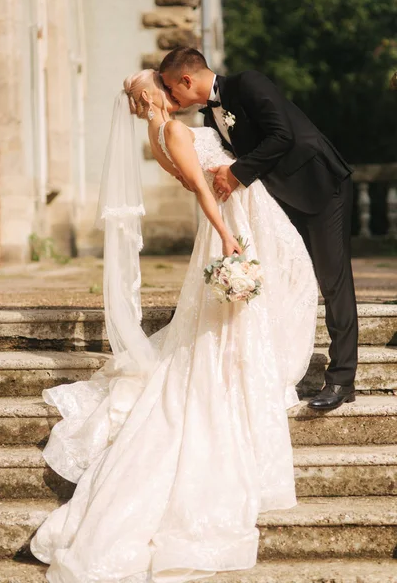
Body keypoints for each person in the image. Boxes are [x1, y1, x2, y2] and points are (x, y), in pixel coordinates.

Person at [30, 69, 317, 582]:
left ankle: (244, 358)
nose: (168, 88)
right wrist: (227, 236)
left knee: (281, 283)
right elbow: (205, 189)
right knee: (261, 297)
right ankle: (240, 369)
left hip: (239, 207)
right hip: (231, 215)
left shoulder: (157, 134)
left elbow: (196, 177)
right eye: (159, 86)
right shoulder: (177, 132)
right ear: (148, 96)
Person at [160, 47, 359, 412]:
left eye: (172, 90)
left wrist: (236, 174)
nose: (173, 98)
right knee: (281, 275)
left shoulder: (248, 83)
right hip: (278, 200)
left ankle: (343, 379)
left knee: (333, 280)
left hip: (319, 187)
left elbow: (282, 135)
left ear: (187, 80)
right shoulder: (208, 120)